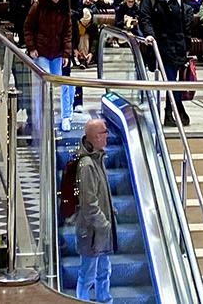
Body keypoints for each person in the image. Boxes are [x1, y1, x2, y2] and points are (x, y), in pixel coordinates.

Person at [73, 117, 118, 302]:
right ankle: (81, 300)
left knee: (103, 271)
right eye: (104, 132)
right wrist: (104, 224)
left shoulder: (98, 159)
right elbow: (89, 204)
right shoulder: (87, 166)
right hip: (92, 233)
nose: (107, 135)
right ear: (95, 137)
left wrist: (110, 213)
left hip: (100, 233)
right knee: (87, 275)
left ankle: (104, 299)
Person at [138, 0, 190, 125]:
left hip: (177, 44)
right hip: (161, 45)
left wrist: (186, 45)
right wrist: (149, 34)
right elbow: (145, 18)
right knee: (170, 80)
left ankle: (171, 110)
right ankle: (175, 109)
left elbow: (183, 23)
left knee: (172, 80)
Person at [25, 0, 77, 131]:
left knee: (62, 85)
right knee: (43, 84)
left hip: (57, 51)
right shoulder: (38, 7)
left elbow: (67, 32)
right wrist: (31, 47)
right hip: (41, 51)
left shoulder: (64, 9)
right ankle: (41, 118)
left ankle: (66, 116)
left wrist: (66, 53)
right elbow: (28, 27)